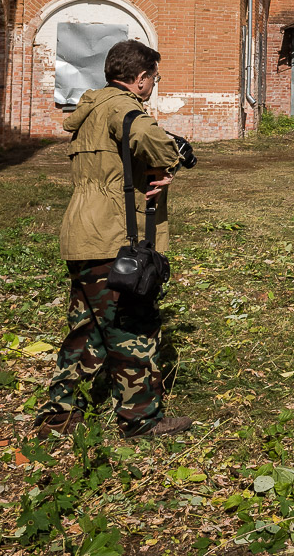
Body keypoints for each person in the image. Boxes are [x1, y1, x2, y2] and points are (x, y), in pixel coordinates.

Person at [35, 40, 192, 439]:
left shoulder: (91, 109)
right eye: (153, 79)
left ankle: (60, 413)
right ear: (139, 80)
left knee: (85, 331)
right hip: (112, 239)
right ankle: (141, 421)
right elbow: (148, 138)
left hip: (82, 234)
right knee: (133, 329)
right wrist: (172, 159)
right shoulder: (125, 108)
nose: (153, 86)